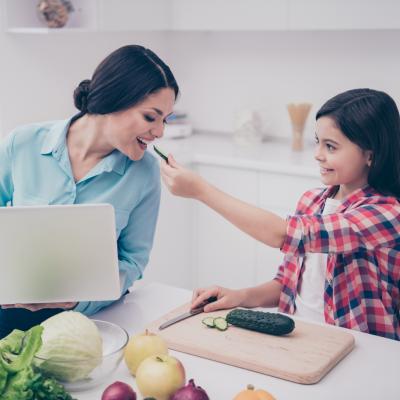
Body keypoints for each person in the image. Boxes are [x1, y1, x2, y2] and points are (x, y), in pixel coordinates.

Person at [161, 88, 400, 340]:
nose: (318, 154)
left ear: (370, 155)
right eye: (318, 141)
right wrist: (239, 296)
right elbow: (286, 284)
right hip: (299, 337)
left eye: (331, 146)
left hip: (361, 349)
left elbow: (282, 235)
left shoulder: (386, 214)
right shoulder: (311, 201)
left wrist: (201, 190)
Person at [0, 45, 179, 338]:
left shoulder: (145, 173)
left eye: (165, 120)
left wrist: (81, 300)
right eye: (151, 117)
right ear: (112, 101)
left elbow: (133, 261)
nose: (160, 132)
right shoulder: (22, 144)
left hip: (89, 321)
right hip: (10, 312)